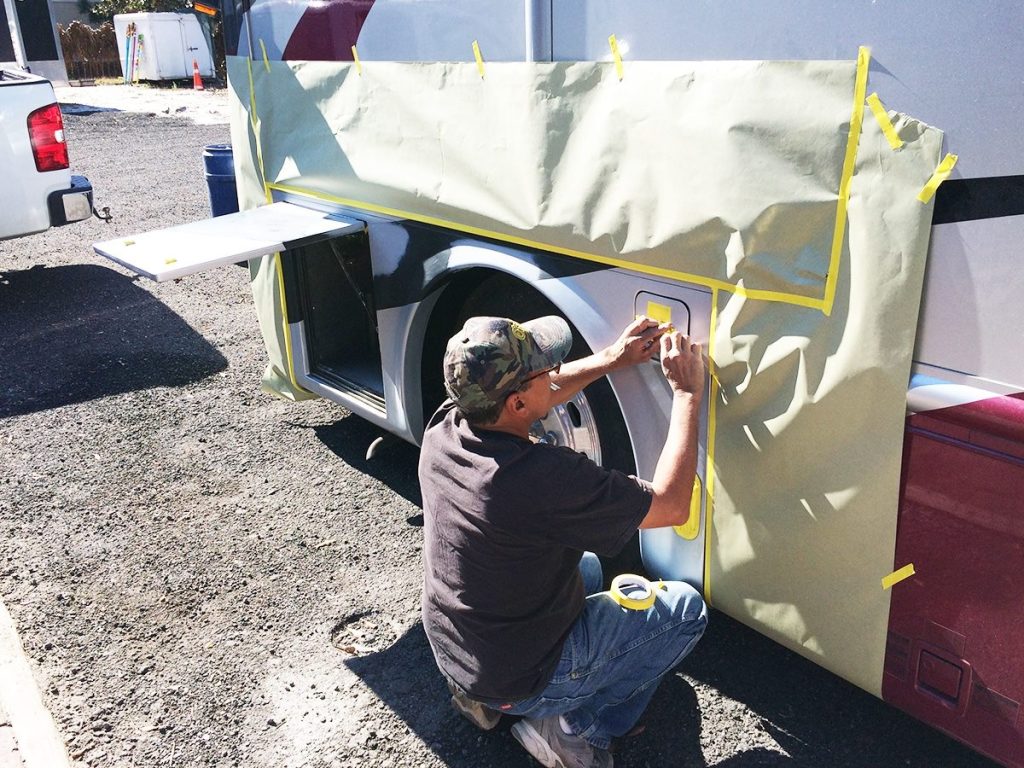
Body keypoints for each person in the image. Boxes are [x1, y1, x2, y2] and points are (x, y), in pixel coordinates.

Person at [418, 313, 708, 768]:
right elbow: (672, 505)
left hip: (457, 645)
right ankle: (573, 730)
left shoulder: (448, 424)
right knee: (686, 612)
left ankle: (478, 697)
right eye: (544, 369)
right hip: (517, 677)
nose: (554, 373)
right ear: (516, 403)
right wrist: (688, 394)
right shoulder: (542, 478)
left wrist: (611, 359)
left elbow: (537, 395)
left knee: (585, 565)